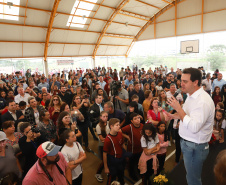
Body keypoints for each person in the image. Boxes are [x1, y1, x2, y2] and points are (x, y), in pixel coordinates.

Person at [166, 67, 215, 185]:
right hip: (189, 144)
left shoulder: (202, 101)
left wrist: (177, 107)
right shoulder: (190, 95)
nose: (180, 84)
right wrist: (174, 116)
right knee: (190, 175)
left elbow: (194, 127)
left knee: (193, 179)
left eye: (185, 81)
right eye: (181, 80)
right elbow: (187, 115)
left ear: (195, 82)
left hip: (195, 147)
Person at [103, 118, 126, 185]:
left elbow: (123, 144)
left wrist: (125, 154)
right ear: (111, 126)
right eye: (117, 125)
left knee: (121, 175)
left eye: (119, 125)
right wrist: (106, 167)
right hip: (113, 161)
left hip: (121, 159)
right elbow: (104, 154)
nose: (119, 126)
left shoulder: (120, 134)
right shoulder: (108, 139)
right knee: (112, 177)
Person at [121, 113, 143, 181]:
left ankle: (139, 172)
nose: (137, 120)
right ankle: (131, 174)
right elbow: (119, 131)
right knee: (131, 163)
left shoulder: (142, 126)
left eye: (138, 118)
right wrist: (127, 136)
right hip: (132, 150)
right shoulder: (129, 127)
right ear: (132, 121)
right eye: (135, 119)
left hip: (141, 149)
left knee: (139, 161)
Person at [95, 111, 110, 182]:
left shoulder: (109, 123)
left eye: (106, 116)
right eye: (104, 116)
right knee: (104, 161)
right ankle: (98, 173)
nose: (105, 118)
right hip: (103, 146)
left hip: (109, 144)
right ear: (100, 117)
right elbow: (101, 139)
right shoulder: (98, 126)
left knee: (109, 158)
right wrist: (111, 137)